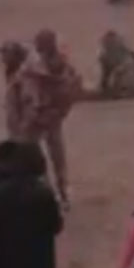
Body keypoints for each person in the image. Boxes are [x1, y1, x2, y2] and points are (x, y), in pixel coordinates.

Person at [15, 32, 82, 206]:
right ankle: (47, 192)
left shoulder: (61, 67)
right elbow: (23, 94)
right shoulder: (32, 68)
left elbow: (72, 90)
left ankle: (59, 190)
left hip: (51, 115)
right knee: (36, 155)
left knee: (55, 155)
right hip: (36, 115)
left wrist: (58, 111)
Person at [82, 30, 134, 101]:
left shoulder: (122, 56)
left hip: (128, 86)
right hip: (131, 86)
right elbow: (105, 75)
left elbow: (107, 75)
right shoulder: (108, 55)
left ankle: (122, 91)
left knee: (123, 73)